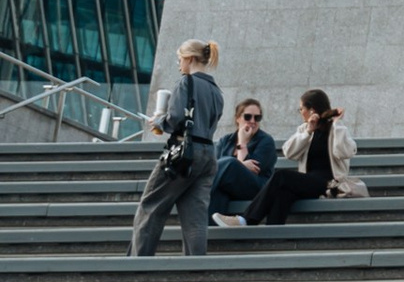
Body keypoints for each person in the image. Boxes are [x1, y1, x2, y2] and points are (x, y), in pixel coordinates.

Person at [130, 39, 224, 260]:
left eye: (180, 59)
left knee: (151, 206)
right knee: (195, 216)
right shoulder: (216, 90)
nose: (179, 64)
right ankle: (195, 268)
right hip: (208, 154)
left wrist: (158, 122)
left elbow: (175, 119)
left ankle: (137, 263)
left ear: (190, 59)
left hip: (183, 153)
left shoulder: (186, 82)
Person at [240, 87, 367, 228]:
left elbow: (344, 152)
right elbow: (288, 152)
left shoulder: (336, 128)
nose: (300, 112)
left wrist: (337, 124)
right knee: (283, 193)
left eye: (301, 109)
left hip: (330, 183)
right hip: (309, 182)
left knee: (281, 176)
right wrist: (308, 131)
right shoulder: (305, 129)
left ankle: (246, 220)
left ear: (311, 110)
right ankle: (273, 235)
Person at [206, 99, 278, 223]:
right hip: (228, 187)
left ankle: (195, 190)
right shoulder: (225, 141)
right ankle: (213, 236)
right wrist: (242, 165)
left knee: (230, 163)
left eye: (257, 118)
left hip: (256, 188)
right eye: (248, 117)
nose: (252, 121)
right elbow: (216, 167)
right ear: (237, 118)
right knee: (219, 193)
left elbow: (254, 171)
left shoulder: (266, 141)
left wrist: (242, 143)